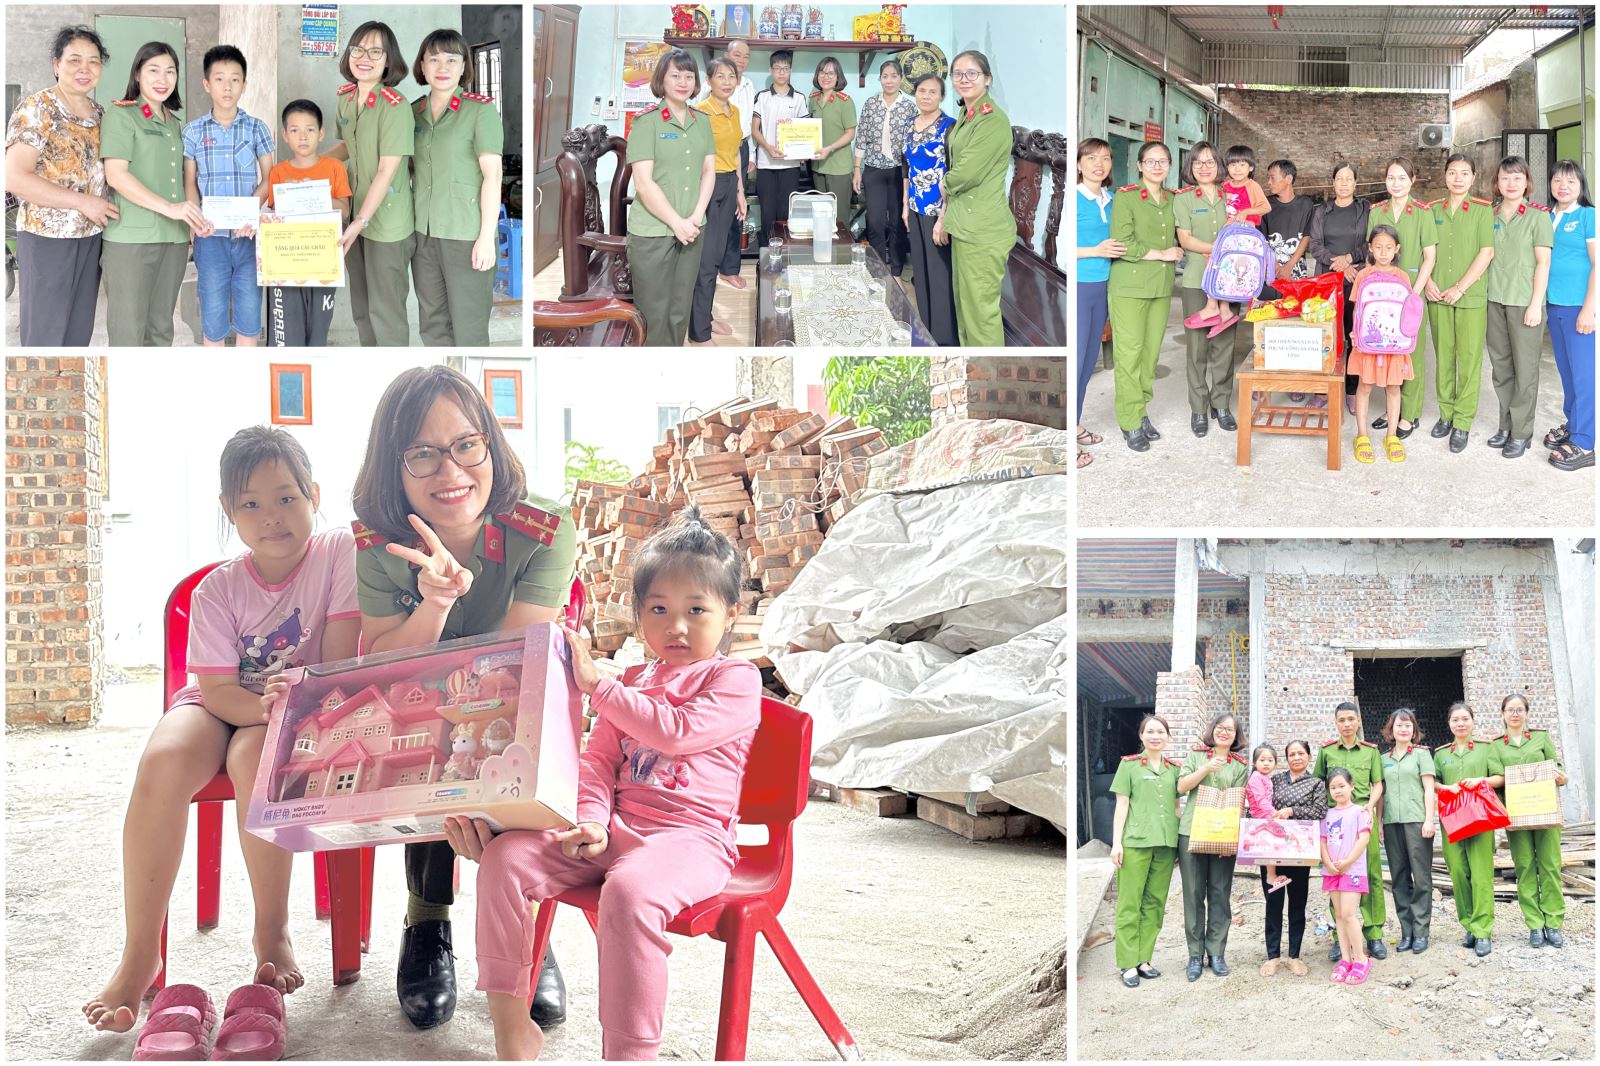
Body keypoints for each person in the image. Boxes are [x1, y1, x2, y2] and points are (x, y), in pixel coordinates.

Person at [445, 507, 761, 1060]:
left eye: (696, 610)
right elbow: (598, 763)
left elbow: (678, 732)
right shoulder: (634, 682)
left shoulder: (735, 679)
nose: (677, 626)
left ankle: (630, 1055)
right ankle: (511, 1030)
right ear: (639, 615)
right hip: (613, 829)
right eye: (659, 609)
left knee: (631, 891)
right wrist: (589, 819)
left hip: (691, 840)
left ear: (730, 614)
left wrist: (601, 688)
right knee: (505, 859)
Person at [82, 427, 358, 1032]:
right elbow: (218, 692)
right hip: (220, 700)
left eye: (286, 497)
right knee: (163, 762)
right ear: (229, 512)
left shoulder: (339, 552)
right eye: (251, 504)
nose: (271, 516)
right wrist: (262, 707)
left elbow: (337, 658)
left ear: (314, 494)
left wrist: (285, 708)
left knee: (256, 758)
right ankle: (139, 953)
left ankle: (271, 930)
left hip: (305, 706)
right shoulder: (217, 590)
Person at [351, 365, 577, 1031]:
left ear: (489, 446)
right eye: (421, 452)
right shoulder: (377, 541)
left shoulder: (543, 528)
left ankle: (525, 919)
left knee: (501, 740)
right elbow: (385, 668)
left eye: (465, 445)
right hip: (425, 704)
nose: (449, 469)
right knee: (424, 731)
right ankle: (427, 921)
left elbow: (517, 670)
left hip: (513, 699)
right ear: (395, 467)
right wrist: (435, 603)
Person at [3, 25, 118, 346]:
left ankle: (69, 393)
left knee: (78, 332)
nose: (85, 69)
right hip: (47, 239)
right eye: (74, 60)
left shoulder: (99, 113)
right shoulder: (37, 109)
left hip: (91, 236)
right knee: (45, 334)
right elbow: (15, 178)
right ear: (56, 64)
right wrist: (83, 203)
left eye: (94, 62)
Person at [100, 41, 213, 347]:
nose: (162, 79)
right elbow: (116, 175)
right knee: (128, 332)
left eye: (170, 71)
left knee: (162, 330)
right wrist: (171, 209)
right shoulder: (122, 115)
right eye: (153, 70)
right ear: (138, 74)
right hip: (131, 240)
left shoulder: (176, 125)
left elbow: (184, 179)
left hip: (174, 239)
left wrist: (192, 218)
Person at [409, 29, 504, 347]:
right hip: (422, 235)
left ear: (464, 67)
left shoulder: (480, 111)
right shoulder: (413, 113)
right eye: (433, 59)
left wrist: (486, 238)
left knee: (469, 327)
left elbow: (492, 176)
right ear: (422, 65)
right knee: (432, 324)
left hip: (466, 235)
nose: (442, 66)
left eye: (452, 59)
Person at [326, 21, 415, 347]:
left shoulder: (395, 106)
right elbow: (347, 147)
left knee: (385, 313)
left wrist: (361, 221)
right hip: (354, 217)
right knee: (362, 310)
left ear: (389, 60)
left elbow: (386, 171)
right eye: (358, 49)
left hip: (385, 224)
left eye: (375, 51)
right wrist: (309, 169)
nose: (364, 57)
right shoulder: (347, 99)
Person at [183, 45, 274, 348]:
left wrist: (250, 212)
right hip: (211, 238)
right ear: (207, 84)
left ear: (244, 85)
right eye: (220, 79)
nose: (228, 86)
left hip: (248, 237)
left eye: (235, 79)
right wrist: (194, 224)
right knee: (214, 319)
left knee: (249, 318)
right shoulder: (193, 132)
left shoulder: (256, 128)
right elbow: (190, 182)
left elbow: (270, 177)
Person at [625, 49, 715, 348]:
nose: (683, 82)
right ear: (661, 80)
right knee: (653, 314)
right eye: (675, 75)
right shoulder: (646, 122)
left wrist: (695, 217)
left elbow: (709, 172)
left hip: (692, 229)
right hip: (653, 232)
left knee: (679, 311)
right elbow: (643, 181)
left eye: (689, 76)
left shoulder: (702, 121)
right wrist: (676, 222)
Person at [1109, 141, 1182, 451]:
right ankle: (1129, 420)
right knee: (1129, 354)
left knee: (1150, 354)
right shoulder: (1126, 198)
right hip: (1130, 286)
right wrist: (1162, 253)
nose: (1157, 166)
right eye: (1150, 161)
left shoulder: (1171, 198)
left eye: (1162, 161)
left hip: (1161, 287)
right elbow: (1122, 243)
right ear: (1139, 165)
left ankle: (1141, 411)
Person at [263, 99, 352, 346]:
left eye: (310, 130)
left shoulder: (334, 168)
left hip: (323, 262)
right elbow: (274, 217)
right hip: (286, 265)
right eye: (295, 130)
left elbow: (344, 211)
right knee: (285, 337)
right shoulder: (279, 173)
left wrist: (312, 192)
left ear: (321, 134)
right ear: (285, 135)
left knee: (317, 333)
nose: (303, 137)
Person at [940, 50, 1013, 347]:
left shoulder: (992, 120)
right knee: (966, 309)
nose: (964, 79)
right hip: (966, 225)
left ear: (987, 79)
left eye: (972, 73)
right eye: (958, 73)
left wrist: (942, 185)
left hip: (983, 231)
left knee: (981, 317)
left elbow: (965, 173)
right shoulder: (967, 114)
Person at [1483, 156, 1554, 458]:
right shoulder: (1489, 214)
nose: (1510, 183)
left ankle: (1522, 432)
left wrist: (1536, 303)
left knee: (1525, 370)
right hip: (1494, 299)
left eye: (1517, 177)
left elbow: (1543, 262)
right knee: (1501, 367)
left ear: (1527, 182)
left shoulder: (1538, 216)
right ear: (1496, 183)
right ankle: (1505, 424)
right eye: (1504, 178)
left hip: (1525, 302)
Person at [1425, 154, 1496, 452]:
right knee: (1444, 355)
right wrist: (1428, 282)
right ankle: (1446, 414)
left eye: (1464, 173)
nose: (1457, 178)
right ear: (1444, 176)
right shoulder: (1432, 210)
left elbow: (1486, 253)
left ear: (1473, 177)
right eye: (1452, 172)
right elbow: (1423, 248)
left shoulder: (1482, 210)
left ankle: (1463, 421)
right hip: (1437, 294)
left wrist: (1460, 288)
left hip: (1469, 297)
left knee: (1468, 358)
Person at [1366, 157, 1437, 438]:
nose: (1396, 183)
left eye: (1402, 178)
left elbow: (1430, 256)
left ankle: (1409, 414)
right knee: (1388, 351)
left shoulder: (1422, 212)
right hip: (1383, 295)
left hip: (1409, 295)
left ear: (1412, 180)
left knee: (1411, 354)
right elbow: (1370, 253)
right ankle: (1391, 409)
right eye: (1391, 178)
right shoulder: (1377, 211)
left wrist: (1414, 294)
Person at [1109, 714, 1181, 989]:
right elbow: (1122, 805)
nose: (1155, 736)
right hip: (1135, 842)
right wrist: (1117, 843)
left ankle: (1144, 959)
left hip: (1165, 844)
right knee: (1130, 902)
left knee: (1154, 903)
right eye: (1150, 731)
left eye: (1160, 732)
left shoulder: (1173, 769)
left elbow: (1175, 808)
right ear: (1141, 736)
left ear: (1167, 737)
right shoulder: (1128, 766)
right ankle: (1127, 962)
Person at [1175, 712, 1248, 981]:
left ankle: (1216, 952)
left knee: (1219, 893)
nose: (1224, 732)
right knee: (1193, 894)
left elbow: (1239, 802)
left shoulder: (1240, 765)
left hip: (1223, 835)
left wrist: (1230, 837)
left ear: (1236, 735)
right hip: (1192, 831)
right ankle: (1195, 955)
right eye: (1220, 727)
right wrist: (1206, 768)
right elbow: (1182, 786)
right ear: (1212, 729)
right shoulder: (1196, 756)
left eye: (1230, 729)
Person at [1312, 701, 1386, 961]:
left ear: (1358, 722)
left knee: (1371, 876)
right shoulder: (1326, 752)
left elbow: (1378, 784)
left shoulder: (1370, 751)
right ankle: (1338, 937)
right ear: (1336, 723)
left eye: (1350, 719)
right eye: (1341, 720)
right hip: (1334, 824)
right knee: (1337, 875)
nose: (1346, 724)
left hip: (1362, 819)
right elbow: (1318, 785)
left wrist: (1369, 806)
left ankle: (1374, 934)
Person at [1174, 142, 1239, 437]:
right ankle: (1199, 408)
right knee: (1197, 348)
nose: (1204, 167)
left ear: (1218, 166)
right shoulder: (1184, 199)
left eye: (1210, 161)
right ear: (1191, 166)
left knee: (1225, 347)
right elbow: (1185, 239)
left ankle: (1221, 404)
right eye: (1198, 162)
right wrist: (1216, 250)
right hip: (1196, 282)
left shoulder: (1231, 196)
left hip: (1229, 283)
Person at [1494, 694, 1569, 947]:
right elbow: (1495, 780)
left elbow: (1560, 768)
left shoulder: (1540, 738)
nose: (1515, 714)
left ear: (1526, 713)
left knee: (1549, 865)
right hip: (1516, 814)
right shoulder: (1496, 746)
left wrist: (1560, 776)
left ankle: (1553, 922)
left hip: (1545, 812)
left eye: (1519, 710)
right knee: (1525, 867)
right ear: (1502, 714)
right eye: (1510, 710)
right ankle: (1535, 924)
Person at [1434, 700, 1504, 957]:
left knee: (1481, 874)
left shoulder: (1487, 749)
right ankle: (1469, 925)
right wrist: (1445, 788)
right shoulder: (1441, 754)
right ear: (1449, 724)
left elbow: (1500, 777)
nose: (1460, 723)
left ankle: (1483, 929)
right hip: (1452, 821)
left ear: (1473, 721)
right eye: (1455, 720)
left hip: (1481, 819)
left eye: (1465, 719)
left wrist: (1480, 780)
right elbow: (1434, 783)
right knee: (1459, 873)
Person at [688, 58, 748, 345]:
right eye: (720, 76)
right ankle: (699, 332)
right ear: (709, 81)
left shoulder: (734, 111)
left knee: (716, 254)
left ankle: (706, 317)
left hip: (728, 184)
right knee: (706, 259)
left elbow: (735, 154)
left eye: (731, 76)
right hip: (706, 186)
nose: (726, 81)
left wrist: (740, 192)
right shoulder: (700, 112)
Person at [1182, 144, 1268, 335]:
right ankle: (1223, 309)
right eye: (1233, 165)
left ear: (1251, 168)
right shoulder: (1225, 186)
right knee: (1219, 264)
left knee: (1220, 262)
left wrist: (1246, 212)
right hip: (1227, 231)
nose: (1237, 169)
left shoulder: (1252, 186)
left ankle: (1215, 307)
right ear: (1226, 167)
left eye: (1243, 165)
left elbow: (1265, 207)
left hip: (1243, 232)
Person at [1543, 160, 1594, 471]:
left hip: (1579, 306)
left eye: (1570, 181)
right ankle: (1573, 424)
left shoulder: (1589, 215)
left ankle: (1586, 442)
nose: (1563, 186)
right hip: (1554, 305)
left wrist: (1590, 308)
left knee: (1585, 375)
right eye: (1557, 180)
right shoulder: (1547, 216)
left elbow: (1597, 264)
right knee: (1566, 371)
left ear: (1580, 186)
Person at [692, 39, 756, 290]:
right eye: (737, 55)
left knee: (735, 217)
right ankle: (705, 278)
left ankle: (728, 269)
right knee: (709, 226)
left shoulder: (748, 87)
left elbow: (747, 128)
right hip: (711, 161)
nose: (742, 60)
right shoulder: (702, 106)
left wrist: (750, 157)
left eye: (746, 57)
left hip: (738, 148)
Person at [1349, 225, 1416, 464]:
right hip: (1368, 343)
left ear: (1397, 249)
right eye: (1378, 247)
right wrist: (1354, 333)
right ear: (1370, 248)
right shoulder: (1363, 276)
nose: (1383, 252)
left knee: (1393, 388)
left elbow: (1407, 313)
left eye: (1388, 247)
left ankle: (1391, 436)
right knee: (1365, 386)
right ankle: (1362, 435)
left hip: (1395, 345)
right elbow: (1357, 310)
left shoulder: (1403, 277)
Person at [1308, 162, 1370, 413]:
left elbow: (1370, 242)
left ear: (1356, 183)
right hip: (1327, 282)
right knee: (1326, 336)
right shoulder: (1322, 210)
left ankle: (1351, 390)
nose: (1344, 183)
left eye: (1349, 179)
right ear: (1332, 183)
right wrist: (1340, 264)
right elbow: (1314, 245)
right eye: (1339, 179)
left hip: (1355, 281)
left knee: (1353, 336)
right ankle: (1323, 389)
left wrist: (1349, 258)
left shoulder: (1364, 209)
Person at [902, 74, 958, 348]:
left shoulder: (950, 127)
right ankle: (927, 332)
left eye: (932, 92)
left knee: (939, 274)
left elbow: (953, 172)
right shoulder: (910, 125)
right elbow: (906, 168)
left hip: (938, 209)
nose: (925, 96)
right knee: (921, 273)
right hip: (914, 205)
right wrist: (904, 205)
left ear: (941, 96)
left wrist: (944, 216)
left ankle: (946, 338)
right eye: (921, 91)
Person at [1262, 739, 1326, 977]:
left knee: (1297, 904)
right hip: (1273, 850)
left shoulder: (1316, 783)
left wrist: (1291, 811)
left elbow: (1320, 811)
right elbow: (1259, 803)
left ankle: (1294, 956)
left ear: (1309, 756)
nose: (1296, 757)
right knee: (1274, 903)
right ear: (1286, 758)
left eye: (1301, 753)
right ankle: (1273, 956)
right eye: (1291, 754)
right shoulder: (1274, 780)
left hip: (1300, 851)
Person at [1075, 137, 1120, 466]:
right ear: (1079, 164)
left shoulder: (1113, 199)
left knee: (1089, 362)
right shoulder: (1074, 198)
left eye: (1105, 158)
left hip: (1104, 286)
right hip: (1079, 284)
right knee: (1075, 361)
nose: (1098, 163)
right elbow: (1065, 248)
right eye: (1091, 157)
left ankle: (1073, 425)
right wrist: (1095, 251)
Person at [1379, 709, 1436, 955]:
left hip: (1417, 821)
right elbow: (1381, 793)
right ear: (1391, 730)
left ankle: (1421, 932)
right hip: (1392, 823)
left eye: (1408, 725)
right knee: (1399, 878)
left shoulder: (1422, 755)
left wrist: (1429, 820)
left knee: (1421, 878)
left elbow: (1428, 789)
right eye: (1399, 726)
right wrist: (1380, 823)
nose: (1404, 729)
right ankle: (1407, 931)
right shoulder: (1383, 759)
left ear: (1414, 730)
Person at [853, 60, 914, 276]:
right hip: (874, 169)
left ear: (900, 79)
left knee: (897, 222)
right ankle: (877, 270)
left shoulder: (909, 107)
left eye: (893, 76)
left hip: (899, 172)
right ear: (879, 79)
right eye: (885, 76)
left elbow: (912, 141)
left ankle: (896, 271)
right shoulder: (871, 104)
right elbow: (861, 137)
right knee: (875, 222)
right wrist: (857, 168)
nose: (889, 80)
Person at [749, 50, 808, 247]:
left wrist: (804, 153)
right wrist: (768, 147)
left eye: (785, 69)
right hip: (766, 164)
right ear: (770, 70)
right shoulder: (762, 97)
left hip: (790, 165)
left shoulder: (799, 98)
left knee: (785, 212)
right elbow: (754, 129)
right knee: (767, 212)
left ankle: (784, 253)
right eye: (777, 69)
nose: (781, 73)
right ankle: (766, 254)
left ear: (790, 71)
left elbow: (805, 131)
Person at [1321, 768, 1373, 986]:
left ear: (1352, 786)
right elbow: (1322, 841)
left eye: (1342, 785)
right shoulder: (1327, 814)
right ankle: (1345, 958)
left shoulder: (1360, 812)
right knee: (1339, 915)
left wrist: (1349, 861)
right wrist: (1327, 863)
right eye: (1333, 787)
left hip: (1352, 870)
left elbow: (1363, 840)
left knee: (1350, 915)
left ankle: (1361, 959)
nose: (1338, 790)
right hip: (1332, 871)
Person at [807, 57, 856, 207]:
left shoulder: (845, 101)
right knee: (822, 214)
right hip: (817, 167)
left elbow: (850, 133)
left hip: (839, 167)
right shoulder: (813, 100)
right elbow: (808, 129)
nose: (825, 77)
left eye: (831, 74)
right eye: (822, 72)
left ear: (838, 77)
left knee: (839, 217)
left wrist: (830, 148)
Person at [1247, 745, 1290, 895]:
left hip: (1265, 815)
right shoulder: (1256, 777)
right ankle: (1271, 877)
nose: (1266, 763)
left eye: (1270, 760)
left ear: (1275, 763)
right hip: (1261, 817)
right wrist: (1275, 814)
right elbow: (1260, 800)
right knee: (1272, 845)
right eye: (1262, 760)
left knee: (1274, 845)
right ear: (1254, 762)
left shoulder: (1265, 777)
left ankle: (1273, 876)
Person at [1263, 159, 1315, 285]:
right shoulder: (1265, 205)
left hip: (1296, 268)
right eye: (1268, 178)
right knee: (1269, 304)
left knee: (1295, 302)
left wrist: (1289, 266)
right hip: (1270, 268)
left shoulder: (1306, 204)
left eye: (1272, 178)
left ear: (1288, 179)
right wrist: (1276, 268)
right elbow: (1262, 239)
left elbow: (1306, 236)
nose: (1268, 182)